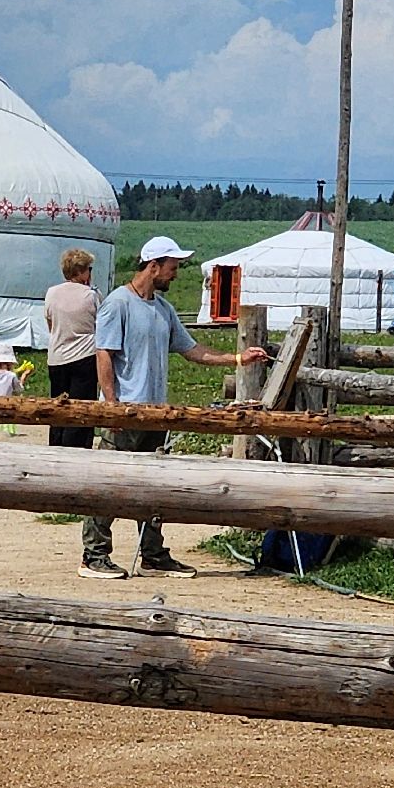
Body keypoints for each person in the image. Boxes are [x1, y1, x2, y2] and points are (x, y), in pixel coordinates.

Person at [79, 236, 270, 580]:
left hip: (156, 413)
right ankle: (93, 554)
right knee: (110, 483)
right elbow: (104, 354)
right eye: (172, 268)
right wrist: (111, 406)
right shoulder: (117, 304)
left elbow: (191, 350)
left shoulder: (164, 310)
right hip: (126, 411)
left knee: (154, 488)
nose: (175, 275)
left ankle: (152, 553)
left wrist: (239, 358)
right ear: (154, 266)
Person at [44, 248, 100, 449]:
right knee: (81, 410)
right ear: (83, 271)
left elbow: (50, 324)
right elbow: (99, 326)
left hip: (57, 357)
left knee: (58, 406)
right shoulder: (91, 295)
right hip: (84, 356)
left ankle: (56, 445)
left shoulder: (51, 293)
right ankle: (76, 450)